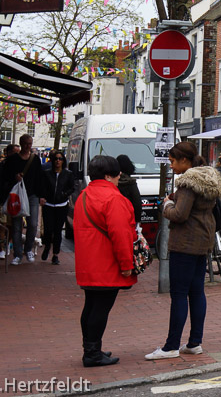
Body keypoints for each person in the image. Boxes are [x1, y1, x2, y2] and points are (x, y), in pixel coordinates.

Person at [146, 142, 221, 360]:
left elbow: (180, 214)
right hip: (202, 242)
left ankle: (171, 346)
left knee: (179, 294)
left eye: (172, 161)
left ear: (185, 161)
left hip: (186, 243)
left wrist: (166, 205)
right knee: (197, 292)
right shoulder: (208, 179)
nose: (171, 166)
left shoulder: (188, 183)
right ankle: (194, 342)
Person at [74, 155, 137, 367]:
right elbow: (121, 235)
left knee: (90, 307)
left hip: (88, 262)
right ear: (109, 175)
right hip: (107, 263)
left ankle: (91, 348)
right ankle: (92, 354)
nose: (120, 176)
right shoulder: (114, 199)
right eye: (118, 173)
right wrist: (127, 265)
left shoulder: (83, 195)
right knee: (100, 309)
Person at [0, 135, 44, 266]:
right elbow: (5, 176)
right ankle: (17, 254)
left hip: (32, 195)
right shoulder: (12, 160)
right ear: (21, 144)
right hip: (17, 195)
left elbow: (39, 177)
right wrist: (14, 178)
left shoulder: (35, 159)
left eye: (29, 144)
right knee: (17, 225)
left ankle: (28, 249)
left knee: (33, 223)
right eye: (25, 144)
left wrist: (40, 195)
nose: (28, 146)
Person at [39, 150, 75, 265]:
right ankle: (47, 246)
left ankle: (55, 254)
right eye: (56, 159)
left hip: (61, 205)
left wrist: (64, 194)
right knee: (48, 229)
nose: (58, 161)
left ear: (63, 161)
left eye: (60, 159)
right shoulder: (47, 173)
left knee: (58, 230)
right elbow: (43, 187)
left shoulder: (68, 174)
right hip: (49, 205)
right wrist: (43, 197)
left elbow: (72, 187)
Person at [116, 155, 143, 230]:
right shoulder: (131, 182)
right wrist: (138, 220)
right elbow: (137, 203)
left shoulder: (113, 182)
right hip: (129, 218)